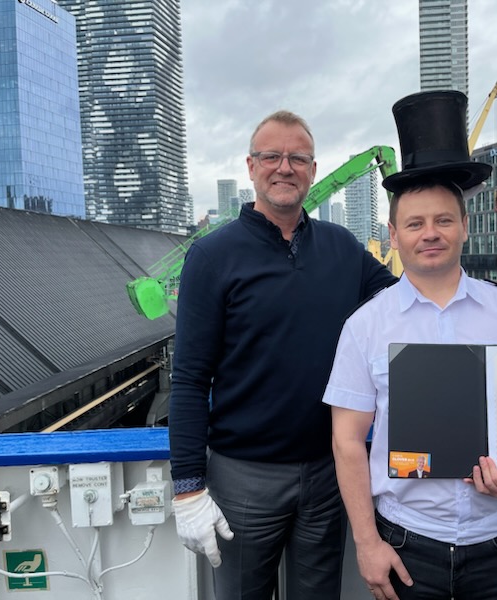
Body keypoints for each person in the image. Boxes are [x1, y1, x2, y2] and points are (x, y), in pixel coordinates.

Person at [323, 90, 497, 600]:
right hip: (406, 543)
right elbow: (346, 440)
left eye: (444, 220)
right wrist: (367, 543)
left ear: (464, 227)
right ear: (394, 234)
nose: (431, 233)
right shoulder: (365, 326)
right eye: (415, 224)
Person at [168, 109, 397, 599]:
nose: (285, 167)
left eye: (298, 158)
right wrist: (187, 487)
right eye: (272, 156)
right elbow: (188, 378)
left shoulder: (341, 246)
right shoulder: (211, 257)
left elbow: (401, 301)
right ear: (251, 167)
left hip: (329, 471)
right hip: (243, 477)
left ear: (314, 171)